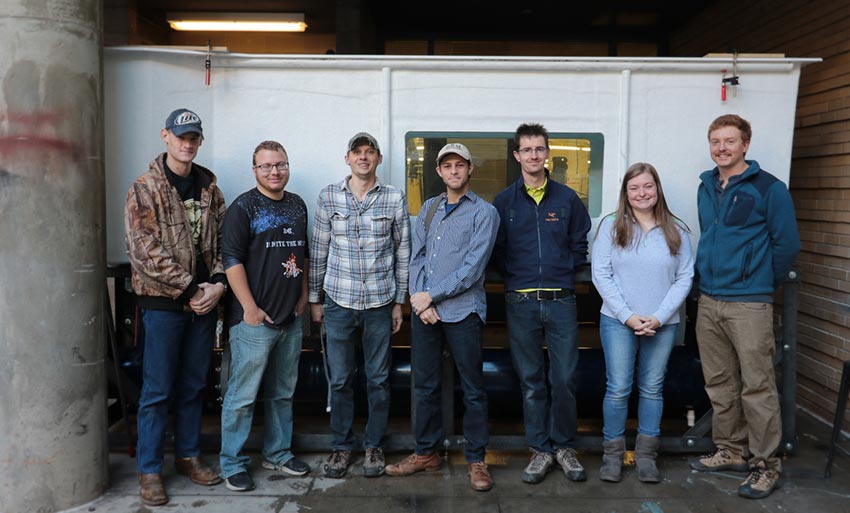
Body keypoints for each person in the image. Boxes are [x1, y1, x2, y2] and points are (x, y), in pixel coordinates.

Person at [689, 114, 800, 499]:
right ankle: (731, 450)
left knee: (757, 386)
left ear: (746, 145)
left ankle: (767, 465)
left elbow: (787, 244)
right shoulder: (706, 186)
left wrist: (758, 284)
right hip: (710, 300)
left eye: (730, 141)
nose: (722, 148)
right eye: (716, 141)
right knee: (720, 382)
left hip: (749, 304)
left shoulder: (770, 188)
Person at [124, 108, 226, 506]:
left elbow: (220, 246)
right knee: (157, 389)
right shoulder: (144, 188)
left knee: (193, 385)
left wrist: (217, 285)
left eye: (194, 137)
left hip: (203, 303)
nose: (188, 143)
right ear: (165, 136)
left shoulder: (210, 189)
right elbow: (144, 250)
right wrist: (190, 290)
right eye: (181, 136)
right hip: (165, 304)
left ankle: (188, 456)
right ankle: (149, 471)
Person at [384, 143, 500, 492]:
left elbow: (472, 269)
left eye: (459, 165)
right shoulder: (430, 209)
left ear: (469, 170)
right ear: (438, 171)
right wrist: (420, 304)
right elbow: (416, 258)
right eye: (447, 165)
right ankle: (426, 453)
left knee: (473, 388)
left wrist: (431, 295)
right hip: (427, 314)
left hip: (464, 312)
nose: (453, 171)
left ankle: (477, 460)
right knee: (425, 385)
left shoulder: (484, 212)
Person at [491, 122, 592, 484]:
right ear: (517, 155)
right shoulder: (503, 202)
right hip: (520, 302)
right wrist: (517, 276)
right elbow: (497, 250)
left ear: (547, 152)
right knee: (531, 380)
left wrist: (563, 267)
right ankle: (540, 450)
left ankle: (564, 446)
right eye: (527, 150)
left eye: (539, 149)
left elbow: (580, 241)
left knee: (564, 377)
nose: (534, 155)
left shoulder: (567, 199)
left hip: (561, 299)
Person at [309, 132, 411, 478]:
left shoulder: (394, 198)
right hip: (338, 301)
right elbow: (319, 249)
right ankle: (341, 447)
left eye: (370, 152)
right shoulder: (328, 196)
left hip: (380, 303)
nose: (363, 158)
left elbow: (403, 252)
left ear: (379, 159)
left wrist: (400, 301)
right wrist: (314, 299)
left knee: (379, 379)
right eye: (358, 152)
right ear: (347, 159)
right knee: (339, 379)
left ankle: (373, 445)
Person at [591, 163, 694, 483]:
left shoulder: (677, 228)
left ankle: (647, 456)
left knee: (652, 388)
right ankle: (613, 456)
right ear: (625, 193)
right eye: (634, 188)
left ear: (657, 189)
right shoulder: (611, 226)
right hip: (618, 321)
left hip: (662, 323)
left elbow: (685, 276)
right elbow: (601, 274)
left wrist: (659, 316)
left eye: (647, 186)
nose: (641, 193)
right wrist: (628, 315)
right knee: (619, 388)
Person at [218, 140, 311, 492]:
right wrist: (250, 309)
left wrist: (302, 295)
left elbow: (301, 253)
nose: (275, 171)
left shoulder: (298, 205)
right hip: (253, 323)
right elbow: (232, 261)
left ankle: (278, 452)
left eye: (281, 164)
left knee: (282, 392)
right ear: (254, 169)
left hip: (290, 320)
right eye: (267, 166)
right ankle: (232, 462)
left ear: (288, 166)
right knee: (242, 396)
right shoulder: (244, 208)